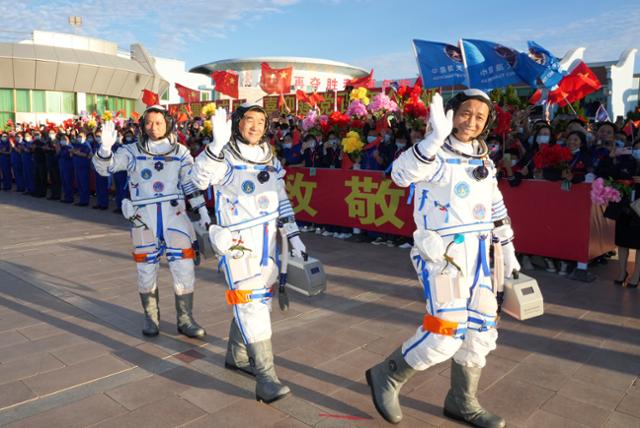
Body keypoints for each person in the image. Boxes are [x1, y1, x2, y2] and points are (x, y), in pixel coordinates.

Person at [366, 90, 518, 428]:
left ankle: (462, 401)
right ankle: (387, 375)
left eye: (480, 117)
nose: (472, 121)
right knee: (445, 332)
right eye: (466, 113)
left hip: (480, 257)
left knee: (481, 329)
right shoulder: (433, 155)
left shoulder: (483, 158)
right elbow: (399, 175)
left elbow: (495, 205)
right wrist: (432, 139)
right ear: (450, 114)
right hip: (444, 257)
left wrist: (507, 248)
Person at [191, 104, 306, 404]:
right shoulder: (225, 155)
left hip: (269, 240)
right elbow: (199, 179)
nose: (254, 127)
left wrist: (293, 235)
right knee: (251, 302)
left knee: (260, 301)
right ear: (238, 124)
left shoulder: (270, 156)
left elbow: (281, 198)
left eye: (260, 121)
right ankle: (267, 377)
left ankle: (236, 355)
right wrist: (214, 146)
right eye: (248, 121)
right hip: (238, 241)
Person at [93, 105, 210, 338]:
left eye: (159, 122)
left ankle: (185, 319)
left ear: (168, 123)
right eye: (149, 122)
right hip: (143, 217)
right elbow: (107, 169)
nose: (153, 127)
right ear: (142, 125)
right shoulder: (131, 151)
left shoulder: (180, 152)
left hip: (175, 216)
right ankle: (151, 317)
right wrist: (105, 149)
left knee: (184, 268)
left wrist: (203, 213)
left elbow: (190, 184)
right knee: (146, 270)